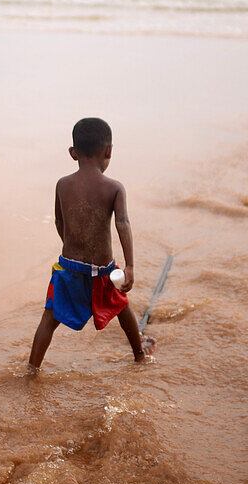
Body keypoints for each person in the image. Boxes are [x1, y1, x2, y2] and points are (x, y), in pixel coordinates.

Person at [27, 117, 156, 371]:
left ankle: (31, 369)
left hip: (69, 269)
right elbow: (123, 224)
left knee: (49, 319)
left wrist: (73, 248)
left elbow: (59, 221)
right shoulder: (114, 187)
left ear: (73, 153)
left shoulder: (63, 185)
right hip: (103, 271)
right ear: (108, 151)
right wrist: (129, 266)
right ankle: (140, 355)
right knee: (122, 307)